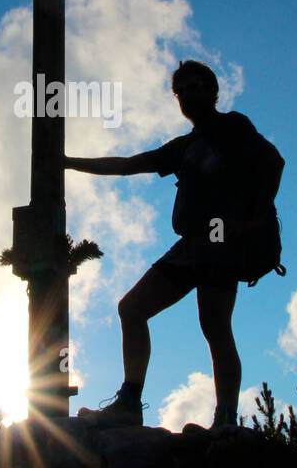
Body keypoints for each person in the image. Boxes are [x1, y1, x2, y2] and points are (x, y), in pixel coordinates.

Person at [64, 59, 284, 429]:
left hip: (221, 242)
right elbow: (129, 164)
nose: (186, 95)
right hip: (192, 244)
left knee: (214, 325)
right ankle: (130, 402)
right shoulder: (183, 147)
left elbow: (274, 162)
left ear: (212, 90)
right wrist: (68, 162)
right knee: (132, 309)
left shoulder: (233, 125)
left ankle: (225, 418)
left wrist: (251, 218)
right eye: (179, 91)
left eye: (194, 86)